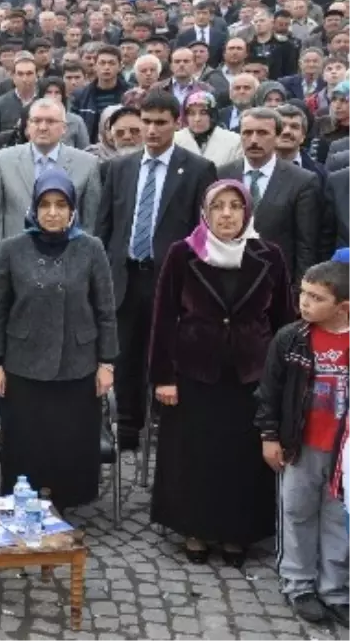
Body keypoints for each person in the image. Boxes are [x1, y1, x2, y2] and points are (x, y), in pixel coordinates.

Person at [148, 180, 294, 566]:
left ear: (247, 213)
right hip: (196, 371)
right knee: (196, 454)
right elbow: (163, 318)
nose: (227, 214)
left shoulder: (270, 256)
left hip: (252, 374)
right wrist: (163, 376)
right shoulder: (183, 254)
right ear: (205, 212)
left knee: (241, 458)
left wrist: (282, 379)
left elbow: (283, 322)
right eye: (218, 206)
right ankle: (194, 528)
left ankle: (237, 532)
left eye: (235, 206)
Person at [0, 169, 118, 507]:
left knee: (69, 440)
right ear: (34, 207)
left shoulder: (91, 248)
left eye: (61, 204)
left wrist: (106, 363)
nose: (53, 212)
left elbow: (105, 310)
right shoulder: (11, 249)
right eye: (45, 204)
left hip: (77, 364)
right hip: (23, 363)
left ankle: (65, 501)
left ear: (73, 209)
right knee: (28, 441)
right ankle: (25, 501)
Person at [96, 90, 217, 449]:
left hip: (170, 278)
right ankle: (127, 427)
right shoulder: (119, 168)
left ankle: (164, 424)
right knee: (124, 352)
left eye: (160, 123)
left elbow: (202, 232)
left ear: (176, 123)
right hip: (125, 275)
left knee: (164, 350)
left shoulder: (197, 169)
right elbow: (105, 227)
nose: (151, 130)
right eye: (146, 122)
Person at [256, 260, 350, 626]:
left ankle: (335, 589)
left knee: (337, 519)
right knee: (297, 512)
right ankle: (299, 584)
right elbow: (270, 392)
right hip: (302, 445)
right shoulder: (292, 338)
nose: (305, 303)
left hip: (343, 452)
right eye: (303, 294)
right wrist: (270, 436)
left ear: (343, 307)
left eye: (316, 297)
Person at [0, 98, 101, 278]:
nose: (43, 127)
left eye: (51, 121)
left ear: (64, 128)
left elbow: (90, 224)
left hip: (68, 269)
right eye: (36, 121)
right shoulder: (2, 160)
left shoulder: (87, 164)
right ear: (27, 126)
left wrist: (84, 268)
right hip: (15, 266)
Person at [217, 107, 320, 289]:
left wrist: (298, 294)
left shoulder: (302, 181)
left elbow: (306, 245)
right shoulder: (222, 174)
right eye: (247, 133)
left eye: (262, 133)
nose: (254, 140)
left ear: (277, 136)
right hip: (226, 283)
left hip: (276, 285)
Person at [174, 91, 243, 167]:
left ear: (212, 115)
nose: (197, 119)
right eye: (192, 113)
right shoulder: (174, 140)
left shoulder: (234, 141)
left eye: (203, 113)